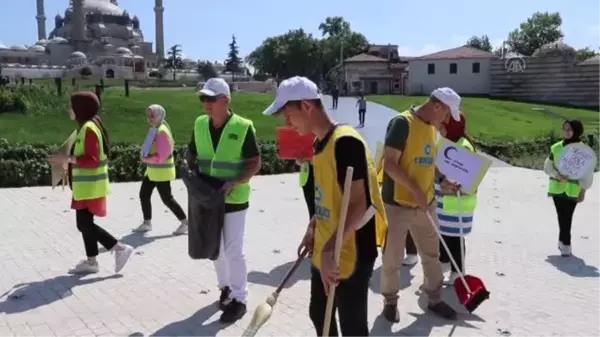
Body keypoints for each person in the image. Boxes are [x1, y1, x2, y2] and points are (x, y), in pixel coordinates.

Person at [263, 76, 387, 337]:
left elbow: (360, 204)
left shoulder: (346, 142)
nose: (287, 123)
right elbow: (327, 195)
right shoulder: (320, 143)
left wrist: (331, 248)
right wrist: (313, 227)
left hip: (351, 251)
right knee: (320, 314)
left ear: (307, 107)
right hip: (327, 245)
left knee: (353, 327)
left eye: (288, 114)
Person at [380, 87, 462, 322]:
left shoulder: (431, 127)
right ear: (436, 106)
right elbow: (390, 164)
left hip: (426, 204)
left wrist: (444, 181)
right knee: (392, 257)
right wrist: (415, 190)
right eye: (446, 113)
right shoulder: (401, 123)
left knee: (431, 255)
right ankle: (390, 302)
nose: (446, 120)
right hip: (397, 204)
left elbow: (429, 162)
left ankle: (435, 300)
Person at [187, 78, 262, 323]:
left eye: (211, 99)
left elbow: (254, 163)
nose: (205, 104)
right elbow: (192, 154)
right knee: (214, 248)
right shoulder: (199, 124)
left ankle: (240, 299)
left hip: (234, 198)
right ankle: (226, 288)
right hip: (207, 197)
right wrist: (191, 176)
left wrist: (235, 182)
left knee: (233, 250)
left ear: (225, 101)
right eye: (203, 99)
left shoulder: (243, 126)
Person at [48, 92, 134, 275]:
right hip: (87, 186)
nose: (69, 109)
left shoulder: (88, 128)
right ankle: (92, 262)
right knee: (85, 223)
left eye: (71, 106)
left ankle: (119, 248)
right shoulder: (89, 126)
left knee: (84, 224)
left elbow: (92, 160)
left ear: (81, 108)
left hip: (89, 186)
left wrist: (68, 158)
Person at [133, 104, 188, 235]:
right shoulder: (155, 128)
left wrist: (146, 159)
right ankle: (147, 223)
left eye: (152, 115)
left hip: (161, 172)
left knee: (167, 199)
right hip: (152, 171)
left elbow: (162, 156)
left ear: (159, 116)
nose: (149, 118)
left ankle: (186, 223)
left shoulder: (162, 131)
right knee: (144, 195)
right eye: (148, 115)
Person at [436, 114, 477, 284]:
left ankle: (457, 273)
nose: (440, 127)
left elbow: (468, 179)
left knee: (455, 239)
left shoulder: (463, 147)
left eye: (443, 124)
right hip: (445, 202)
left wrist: (450, 183)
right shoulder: (448, 143)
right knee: (445, 237)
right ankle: (446, 266)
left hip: (456, 203)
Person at [543, 120, 593, 257]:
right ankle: (565, 243)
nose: (567, 132)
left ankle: (565, 242)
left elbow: (587, 172)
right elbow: (547, 166)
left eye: (570, 129)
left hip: (573, 189)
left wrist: (583, 190)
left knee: (568, 217)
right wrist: (556, 175)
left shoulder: (583, 150)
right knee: (561, 216)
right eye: (565, 129)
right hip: (557, 187)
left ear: (576, 131)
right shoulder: (556, 148)